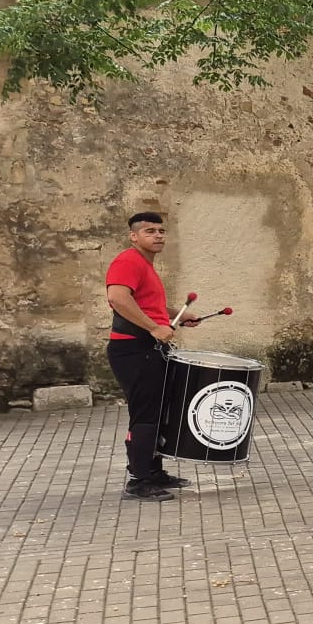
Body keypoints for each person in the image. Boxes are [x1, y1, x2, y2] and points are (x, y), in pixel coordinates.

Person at [103, 212, 201, 501]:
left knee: (157, 413)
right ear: (134, 236)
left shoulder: (145, 265)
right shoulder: (128, 261)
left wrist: (178, 316)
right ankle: (138, 480)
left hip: (146, 347)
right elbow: (118, 298)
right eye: (149, 231)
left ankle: (154, 472)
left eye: (161, 230)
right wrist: (154, 328)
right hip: (133, 349)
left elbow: (148, 304)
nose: (158, 235)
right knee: (145, 415)